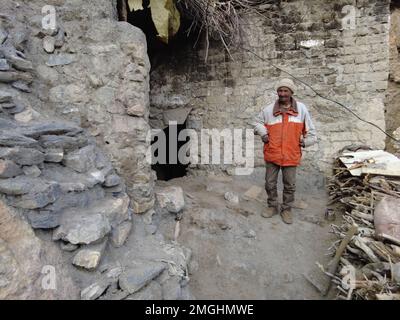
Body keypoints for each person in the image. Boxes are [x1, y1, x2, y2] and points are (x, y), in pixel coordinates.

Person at [253, 78, 317, 224]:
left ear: (291, 92)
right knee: (270, 183)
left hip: (291, 154)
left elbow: (312, 132)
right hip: (272, 153)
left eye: (285, 91)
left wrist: (305, 141)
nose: (282, 94)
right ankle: (272, 206)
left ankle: (286, 209)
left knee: (289, 185)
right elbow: (256, 122)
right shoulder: (268, 110)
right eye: (280, 91)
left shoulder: (301, 109)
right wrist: (263, 133)